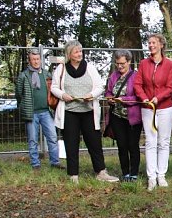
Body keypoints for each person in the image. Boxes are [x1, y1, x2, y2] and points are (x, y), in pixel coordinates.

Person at [51, 40, 120, 184]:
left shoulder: (90, 68)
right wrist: (63, 95)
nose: (79, 54)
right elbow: (54, 87)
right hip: (69, 112)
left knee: (94, 142)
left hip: (88, 111)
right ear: (69, 54)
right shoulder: (61, 69)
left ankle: (101, 172)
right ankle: (73, 174)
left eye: (80, 51)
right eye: (76, 51)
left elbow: (100, 87)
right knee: (71, 143)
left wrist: (92, 95)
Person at [135, 33, 172, 191]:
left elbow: (169, 87)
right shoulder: (144, 63)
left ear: (161, 45)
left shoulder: (169, 65)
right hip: (147, 108)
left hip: (165, 107)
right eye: (149, 43)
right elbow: (138, 84)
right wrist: (144, 98)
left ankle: (161, 175)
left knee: (163, 142)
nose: (151, 45)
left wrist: (157, 98)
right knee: (150, 141)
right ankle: (151, 176)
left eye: (154, 42)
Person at [16, 50, 61, 171]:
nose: (36, 61)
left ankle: (55, 162)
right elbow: (18, 94)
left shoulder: (47, 74)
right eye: (33, 59)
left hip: (46, 111)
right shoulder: (24, 75)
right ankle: (35, 164)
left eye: (37, 59)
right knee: (32, 139)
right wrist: (24, 105)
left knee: (52, 137)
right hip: (32, 113)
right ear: (29, 61)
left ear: (40, 60)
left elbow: (53, 91)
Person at [104, 50, 142, 182]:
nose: (120, 66)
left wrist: (124, 99)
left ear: (129, 62)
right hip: (116, 116)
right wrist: (109, 98)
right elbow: (108, 91)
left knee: (133, 145)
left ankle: (134, 173)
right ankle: (125, 172)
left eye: (123, 63)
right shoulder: (113, 76)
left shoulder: (136, 76)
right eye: (117, 63)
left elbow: (139, 96)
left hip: (132, 117)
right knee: (122, 145)